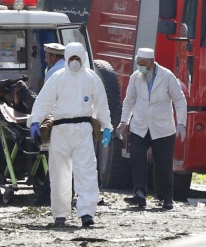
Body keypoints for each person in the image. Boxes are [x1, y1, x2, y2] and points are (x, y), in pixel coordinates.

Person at [27, 42, 112, 227]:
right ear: (66, 58)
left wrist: (106, 126)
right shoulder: (57, 78)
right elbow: (44, 101)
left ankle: (87, 213)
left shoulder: (92, 78)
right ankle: (60, 214)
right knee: (59, 174)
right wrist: (35, 121)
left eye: (77, 58)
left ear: (83, 58)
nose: (74, 62)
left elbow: (101, 104)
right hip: (60, 130)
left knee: (86, 172)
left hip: (83, 129)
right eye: (71, 58)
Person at [116, 48, 187, 210]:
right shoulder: (136, 77)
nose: (140, 67)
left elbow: (180, 100)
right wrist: (123, 122)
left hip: (162, 127)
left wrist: (181, 123)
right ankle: (139, 192)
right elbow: (129, 100)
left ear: (152, 62)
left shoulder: (167, 76)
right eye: (138, 64)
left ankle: (167, 196)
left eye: (143, 64)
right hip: (140, 125)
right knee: (137, 159)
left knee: (163, 163)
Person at [33, 42, 66, 206]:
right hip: (74, 125)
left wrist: (37, 122)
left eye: (47, 56)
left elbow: (47, 101)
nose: (46, 59)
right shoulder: (69, 70)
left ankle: (48, 197)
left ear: (53, 57)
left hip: (59, 124)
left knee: (56, 162)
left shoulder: (54, 72)